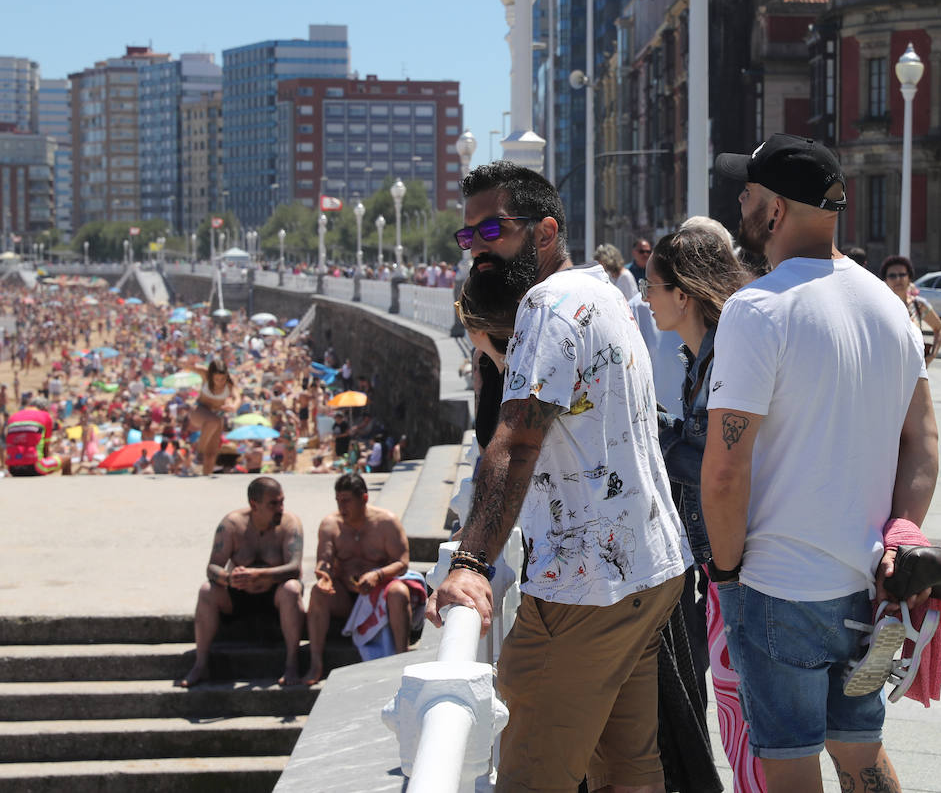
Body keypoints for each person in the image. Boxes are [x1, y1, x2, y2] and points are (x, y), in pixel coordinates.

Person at [428, 161, 690, 792]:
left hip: (585, 587)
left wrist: (470, 561)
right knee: (628, 770)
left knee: (530, 774)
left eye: (494, 229)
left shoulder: (548, 304)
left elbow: (517, 441)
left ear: (545, 232)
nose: (479, 249)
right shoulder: (604, 292)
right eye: (470, 237)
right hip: (647, 571)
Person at [703, 134, 938, 792]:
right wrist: (903, 536)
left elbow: (724, 471)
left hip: (780, 589)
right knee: (861, 749)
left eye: (746, 193)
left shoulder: (758, 309)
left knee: (790, 762)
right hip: (873, 590)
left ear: (775, 210)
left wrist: (727, 576)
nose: (740, 206)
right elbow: (924, 443)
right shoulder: (890, 308)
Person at [645, 224, 763, 791]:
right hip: (714, 555)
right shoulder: (702, 356)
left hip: (731, 561)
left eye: (652, 286)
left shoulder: (721, 361)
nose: (645, 299)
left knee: (747, 712)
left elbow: (721, 465)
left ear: (682, 294)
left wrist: (654, 441)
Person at [179, 476, 305, 687]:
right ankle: (201, 663)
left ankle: (292, 662)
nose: (280, 508)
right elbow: (212, 566)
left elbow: (294, 568)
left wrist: (260, 575)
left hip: (275, 596)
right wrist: (229, 579)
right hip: (239, 593)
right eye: (273, 504)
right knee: (206, 590)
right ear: (254, 505)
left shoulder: (290, 524)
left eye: (282, 501)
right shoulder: (232, 524)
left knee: (292, 589)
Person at [303, 473, 412, 684]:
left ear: (364, 498)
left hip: (379, 591)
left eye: (346, 501)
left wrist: (378, 574)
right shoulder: (330, 525)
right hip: (346, 595)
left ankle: (402, 656)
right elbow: (323, 561)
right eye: (338, 501)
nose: (341, 507)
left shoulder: (386, 522)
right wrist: (323, 575)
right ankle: (316, 662)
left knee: (399, 591)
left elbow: (402, 563)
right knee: (318, 592)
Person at [879, 255, 941, 364]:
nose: (898, 279)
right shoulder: (879, 307)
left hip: (915, 369)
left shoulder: (919, 305)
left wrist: (933, 355)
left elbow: (939, 328)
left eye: (902, 274)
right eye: (892, 276)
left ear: (909, 278)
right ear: (885, 280)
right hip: (887, 368)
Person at [185, 358, 234, 475]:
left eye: (222, 378)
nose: (219, 381)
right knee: (214, 421)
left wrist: (233, 405)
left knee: (211, 454)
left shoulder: (230, 383)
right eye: (216, 378)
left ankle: (205, 477)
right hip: (199, 411)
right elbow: (188, 366)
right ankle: (198, 455)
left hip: (217, 415)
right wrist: (189, 363)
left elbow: (237, 397)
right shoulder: (205, 375)